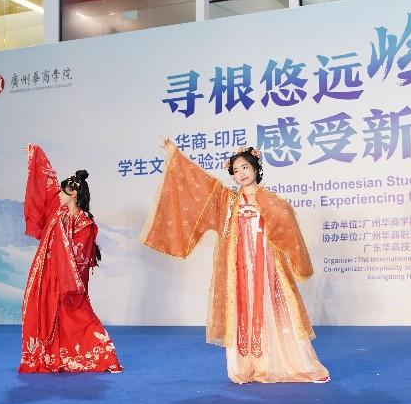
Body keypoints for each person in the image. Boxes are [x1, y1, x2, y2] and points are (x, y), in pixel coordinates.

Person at [143, 140, 329, 384]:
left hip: (266, 265)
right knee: (242, 307)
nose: (241, 173)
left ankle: (287, 363)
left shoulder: (272, 201)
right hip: (239, 266)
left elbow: (286, 220)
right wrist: (175, 154)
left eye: (245, 167)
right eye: (236, 170)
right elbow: (200, 182)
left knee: (272, 307)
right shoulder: (228, 200)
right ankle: (245, 367)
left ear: (256, 169)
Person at [19, 144, 122, 373]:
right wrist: (36, 155)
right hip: (49, 275)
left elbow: (80, 256)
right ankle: (55, 356)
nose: (58, 195)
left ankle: (104, 356)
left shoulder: (85, 223)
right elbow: (45, 187)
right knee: (52, 316)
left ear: (73, 194)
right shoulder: (58, 212)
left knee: (78, 316)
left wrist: (65, 271)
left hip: (69, 279)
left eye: (63, 192)